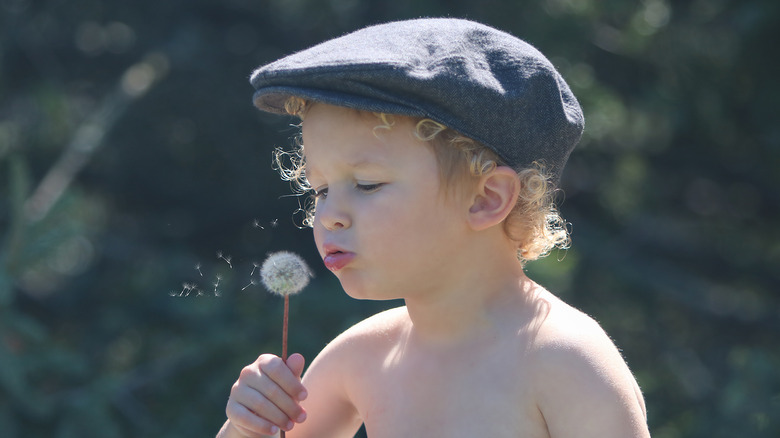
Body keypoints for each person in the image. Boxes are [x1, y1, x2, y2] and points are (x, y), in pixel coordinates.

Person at [217, 18, 650, 438]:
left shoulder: (564, 361)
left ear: (486, 198)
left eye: (367, 184)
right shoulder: (363, 356)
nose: (329, 215)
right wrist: (248, 427)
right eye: (320, 190)